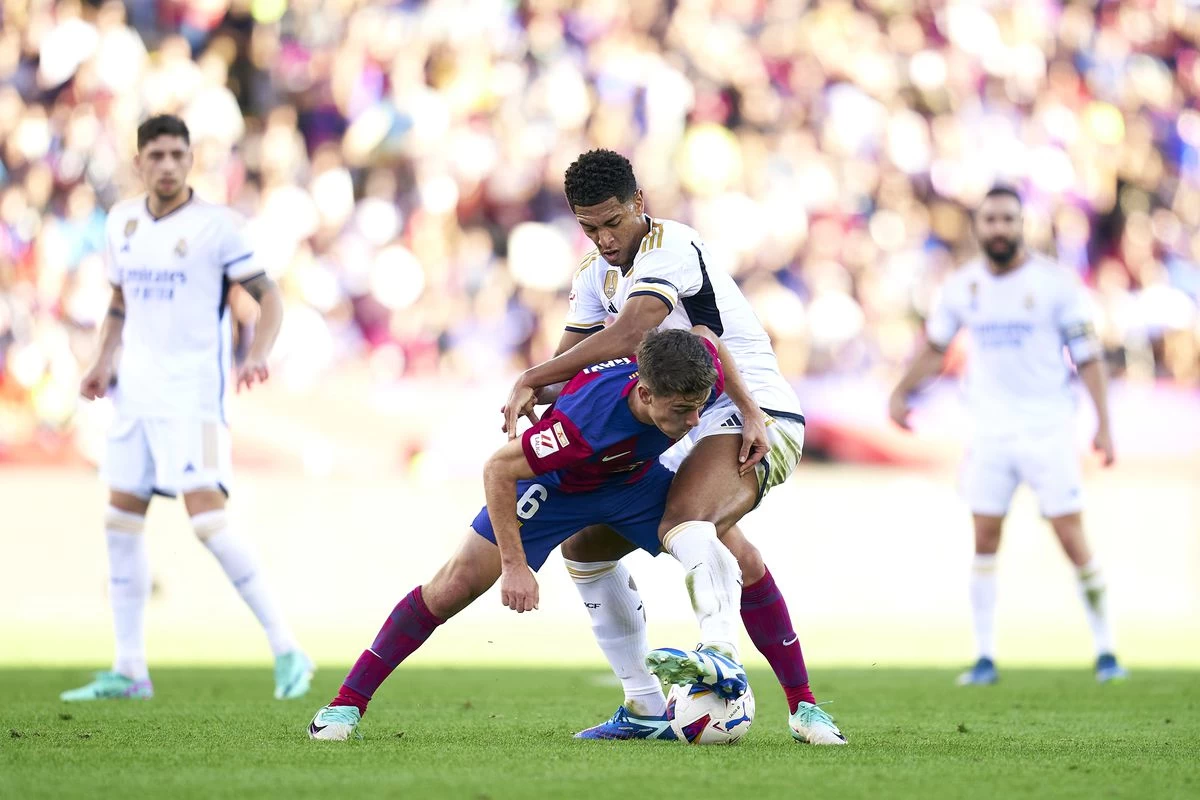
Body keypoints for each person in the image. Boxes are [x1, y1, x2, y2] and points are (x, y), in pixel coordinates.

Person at [501, 149, 845, 745]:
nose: (605, 239)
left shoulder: (672, 246)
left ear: (639, 202)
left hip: (752, 412)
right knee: (592, 548)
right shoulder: (594, 274)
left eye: (613, 222)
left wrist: (533, 375)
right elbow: (567, 367)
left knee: (688, 520)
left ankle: (722, 657)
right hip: (674, 424)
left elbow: (633, 331)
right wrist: (537, 395)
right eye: (590, 227)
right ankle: (648, 706)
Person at [308, 329, 742, 741]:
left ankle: (742, 668)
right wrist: (514, 565)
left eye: (699, 407)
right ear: (645, 394)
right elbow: (498, 468)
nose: (694, 420)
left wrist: (752, 412)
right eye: (682, 410)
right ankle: (346, 704)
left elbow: (708, 340)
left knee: (731, 548)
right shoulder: (581, 424)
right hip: (557, 489)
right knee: (453, 585)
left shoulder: (695, 375)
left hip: (631, 481)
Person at [62, 115, 313, 702]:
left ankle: (287, 647)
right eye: (157, 155)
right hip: (134, 395)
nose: (169, 165)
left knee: (208, 522)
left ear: (190, 159)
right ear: (139, 162)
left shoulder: (217, 227)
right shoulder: (122, 222)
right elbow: (119, 302)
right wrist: (102, 361)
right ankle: (129, 670)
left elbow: (269, 296)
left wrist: (257, 352)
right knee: (120, 521)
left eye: (178, 154)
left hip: (193, 398)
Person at [889, 185, 1128, 685]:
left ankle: (1107, 650)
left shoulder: (1056, 284)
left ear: (1022, 226)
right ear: (978, 227)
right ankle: (984, 657)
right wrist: (902, 391)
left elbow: (1087, 356)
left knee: (1070, 534)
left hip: (1048, 428)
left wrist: (1104, 424)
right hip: (989, 431)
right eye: (990, 219)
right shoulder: (963, 286)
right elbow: (936, 347)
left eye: (1007, 219)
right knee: (984, 536)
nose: (999, 228)